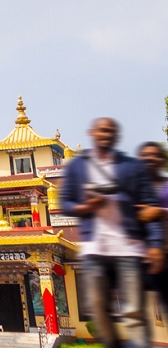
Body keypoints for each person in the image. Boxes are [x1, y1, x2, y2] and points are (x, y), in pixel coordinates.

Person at [62, 117, 163, 348]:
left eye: (111, 130)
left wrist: (156, 243)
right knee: (97, 307)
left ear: (117, 136)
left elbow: (150, 206)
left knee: (134, 311)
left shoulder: (132, 166)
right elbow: (66, 202)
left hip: (129, 247)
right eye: (101, 130)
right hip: (94, 249)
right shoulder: (78, 166)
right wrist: (85, 207)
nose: (106, 134)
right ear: (92, 133)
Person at [137, 141, 168, 316]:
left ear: (162, 160)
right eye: (145, 155)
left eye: (154, 155)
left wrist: (160, 212)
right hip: (149, 259)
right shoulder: (135, 189)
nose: (150, 159)